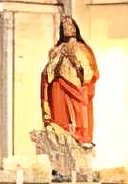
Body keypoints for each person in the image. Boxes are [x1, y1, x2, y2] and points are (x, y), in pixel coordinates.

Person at [40, 13, 98, 146]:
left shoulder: (83, 49)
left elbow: (90, 72)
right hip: (58, 88)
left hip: (77, 90)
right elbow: (48, 71)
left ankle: (80, 140)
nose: (68, 28)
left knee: (78, 117)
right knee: (61, 121)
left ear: (75, 28)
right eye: (64, 26)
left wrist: (75, 61)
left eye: (70, 25)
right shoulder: (56, 50)